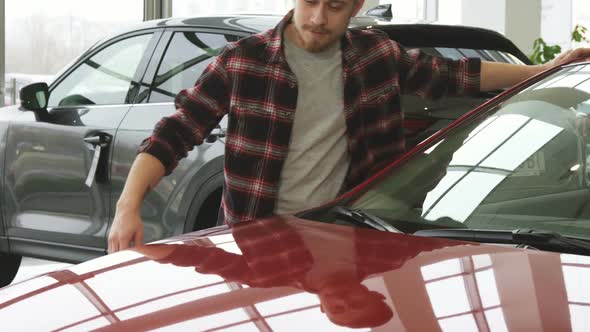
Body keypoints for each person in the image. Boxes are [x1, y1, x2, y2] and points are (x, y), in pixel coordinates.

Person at [108, 0, 590, 253]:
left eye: (335, 5)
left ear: (356, 5)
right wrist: (127, 208)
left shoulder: (375, 57)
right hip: (260, 245)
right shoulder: (244, 62)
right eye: (310, 1)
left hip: (353, 241)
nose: (318, 18)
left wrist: (545, 71)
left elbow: (457, 76)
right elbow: (173, 134)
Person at [133, 215, 459, 328]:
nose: (342, 300)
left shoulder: (266, 278)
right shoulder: (388, 257)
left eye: (337, 310)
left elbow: (200, 260)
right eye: (355, 303)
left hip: (257, 193)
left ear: (322, 308)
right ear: (370, 292)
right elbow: (442, 243)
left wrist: (139, 247)